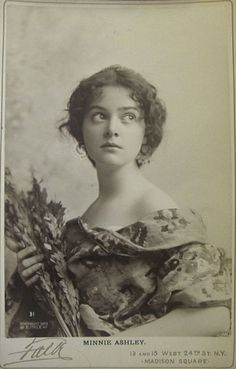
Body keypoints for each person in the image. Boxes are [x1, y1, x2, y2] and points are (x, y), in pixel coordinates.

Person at [6, 65, 231, 337]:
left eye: (128, 117)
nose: (112, 129)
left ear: (145, 133)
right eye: (99, 116)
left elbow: (213, 317)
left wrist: (109, 353)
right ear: (81, 130)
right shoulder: (78, 226)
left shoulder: (158, 210)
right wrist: (30, 277)